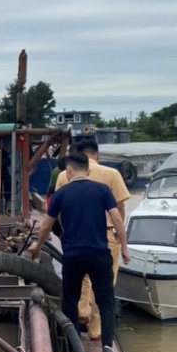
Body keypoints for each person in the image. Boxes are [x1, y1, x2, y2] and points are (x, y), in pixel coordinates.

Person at [28, 150, 130, 352]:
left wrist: (37, 246)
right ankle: (106, 347)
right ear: (88, 169)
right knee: (105, 301)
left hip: (73, 255)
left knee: (70, 300)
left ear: (70, 170)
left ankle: (74, 347)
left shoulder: (62, 194)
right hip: (100, 254)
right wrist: (125, 249)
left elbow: (46, 225)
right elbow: (117, 220)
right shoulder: (103, 190)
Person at [54, 139, 131, 340]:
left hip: (75, 235)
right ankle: (97, 330)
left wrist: (65, 231)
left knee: (80, 280)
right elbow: (120, 209)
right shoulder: (112, 174)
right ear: (96, 155)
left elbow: (57, 210)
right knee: (104, 285)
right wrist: (120, 238)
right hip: (105, 234)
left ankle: (81, 312)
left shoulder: (64, 176)